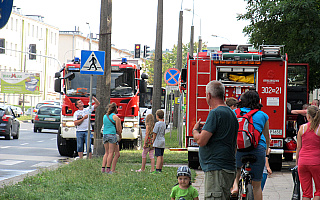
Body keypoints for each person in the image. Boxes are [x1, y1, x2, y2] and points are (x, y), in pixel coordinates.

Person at [192, 80, 239, 200]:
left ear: (209, 95)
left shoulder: (215, 113)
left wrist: (195, 131)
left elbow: (201, 141)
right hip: (228, 167)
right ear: (224, 95)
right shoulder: (231, 114)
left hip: (216, 169)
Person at [230, 90, 270, 200]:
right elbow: (267, 137)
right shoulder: (263, 115)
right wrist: (266, 153)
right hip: (258, 149)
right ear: (258, 101)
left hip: (239, 148)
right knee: (257, 186)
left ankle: (235, 186)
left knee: (237, 169)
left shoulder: (235, 112)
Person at [296, 105, 320, 200]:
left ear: (308, 116)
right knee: (319, 191)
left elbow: (298, 147)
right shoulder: (318, 129)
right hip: (316, 162)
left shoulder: (302, 128)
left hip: (303, 162)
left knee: (306, 193)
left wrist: (297, 162)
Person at [101, 102, 122, 174]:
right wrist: (120, 136)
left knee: (106, 153)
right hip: (112, 135)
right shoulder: (116, 117)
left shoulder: (105, 116)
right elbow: (119, 129)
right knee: (111, 153)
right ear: (115, 109)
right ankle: (108, 169)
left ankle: (103, 168)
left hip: (105, 135)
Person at [151, 109, 166, 174]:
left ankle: (157, 169)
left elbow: (155, 133)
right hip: (162, 140)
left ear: (157, 116)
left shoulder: (157, 124)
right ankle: (160, 168)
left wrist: (152, 140)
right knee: (161, 155)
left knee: (158, 156)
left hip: (158, 141)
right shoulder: (163, 124)